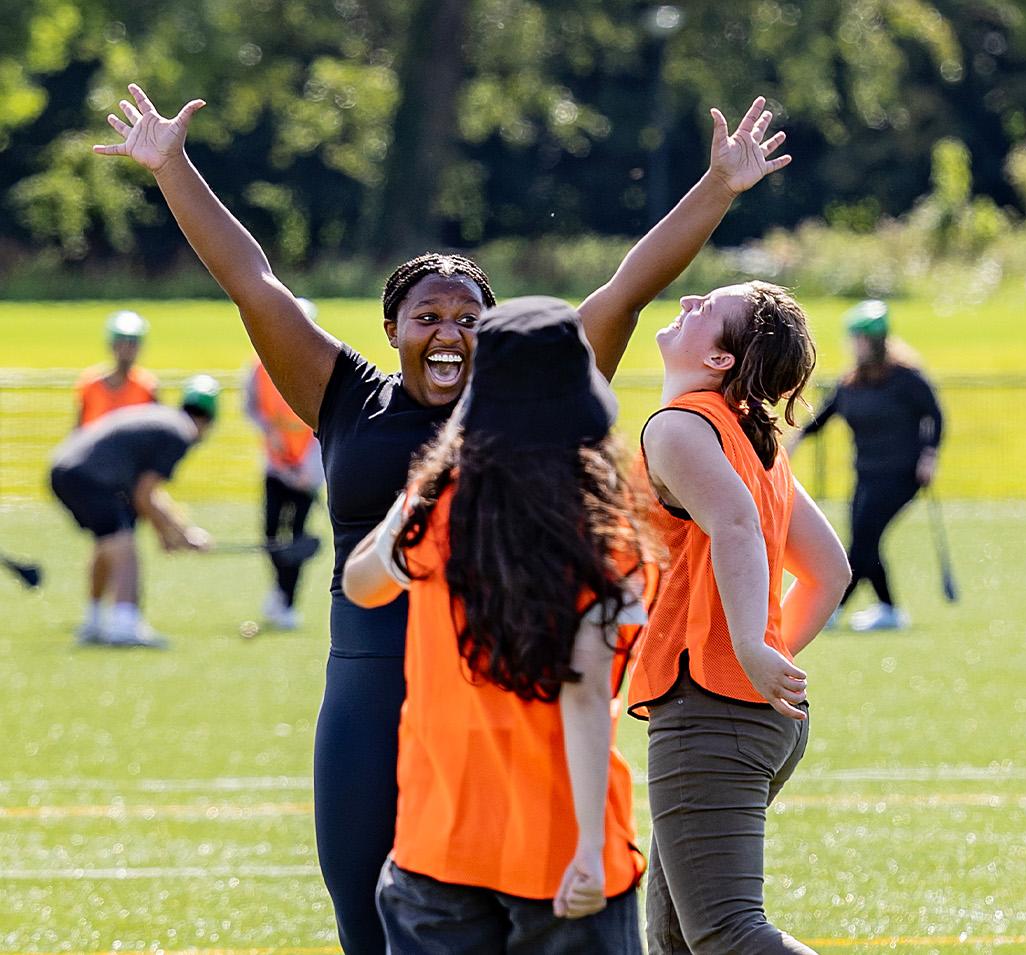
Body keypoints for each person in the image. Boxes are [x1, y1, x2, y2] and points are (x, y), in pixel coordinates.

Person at [92, 83, 792, 953]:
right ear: (393, 328)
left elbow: (626, 290)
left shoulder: (528, 398)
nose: (450, 330)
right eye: (428, 316)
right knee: (366, 919)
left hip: (496, 702)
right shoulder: (346, 397)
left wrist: (718, 187)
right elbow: (254, 282)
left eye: (469, 317)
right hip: (368, 692)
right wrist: (172, 167)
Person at [342, 298, 652, 952]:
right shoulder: (604, 523)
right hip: (560, 847)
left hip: (437, 843)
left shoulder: (436, 507)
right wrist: (593, 849)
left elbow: (360, 583)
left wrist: (427, 480)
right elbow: (587, 694)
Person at [630, 281, 851, 954]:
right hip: (751, 714)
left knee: (727, 934)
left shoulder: (678, 425)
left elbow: (735, 522)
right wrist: (762, 654)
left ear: (723, 360)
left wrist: (751, 645)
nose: (690, 298)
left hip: (711, 709)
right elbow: (829, 571)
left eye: (709, 308)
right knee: (675, 939)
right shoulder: (752, 437)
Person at [792, 300, 943, 631]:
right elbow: (823, 416)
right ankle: (888, 610)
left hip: (901, 475)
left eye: (861, 340)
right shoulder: (851, 381)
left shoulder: (906, 378)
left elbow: (935, 414)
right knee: (866, 540)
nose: (855, 346)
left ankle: (830, 608)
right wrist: (794, 440)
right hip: (867, 473)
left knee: (863, 540)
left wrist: (929, 455)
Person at [49, 376, 219, 648]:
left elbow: (147, 495)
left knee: (109, 542)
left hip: (65, 468)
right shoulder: (181, 434)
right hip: (90, 477)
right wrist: (177, 534)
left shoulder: (165, 421)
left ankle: (93, 622)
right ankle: (124, 625)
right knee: (124, 546)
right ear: (208, 422)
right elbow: (145, 495)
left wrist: (174, 532)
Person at [243, 297, 325, 631]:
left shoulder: (321, 367)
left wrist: (309, 468)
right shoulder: (259, 367)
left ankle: (289, 601)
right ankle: (279, 590)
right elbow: (253, 409)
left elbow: (325, 423)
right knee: (270, 534)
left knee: (297, 537)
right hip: (276, 467)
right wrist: (270, 437)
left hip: (308, 471)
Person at [77, 311, 159, 428]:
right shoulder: (90, 385)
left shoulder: (147, 386)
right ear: (111, 345)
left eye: (132, 343)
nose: (126, 350)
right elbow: (78, 432)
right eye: (121, 343)